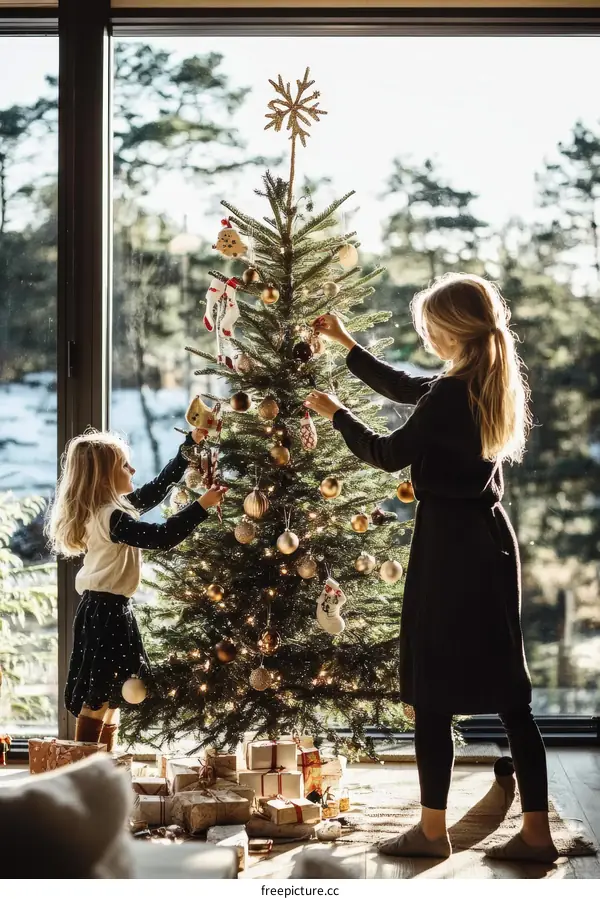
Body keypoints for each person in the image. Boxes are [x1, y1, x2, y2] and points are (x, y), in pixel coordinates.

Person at [305, 273, 558, 864]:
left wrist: (336, 412)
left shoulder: (450, 394)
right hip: (490, 546)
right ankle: (538, 833)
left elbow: (386, 453)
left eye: (430, 327)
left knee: (434, 689)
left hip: (448, 550)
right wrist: (346, 345)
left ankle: (430, 831)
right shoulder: (483, 382)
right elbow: (406, 387)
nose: (427, 336)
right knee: (511, 698)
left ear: (450, 330)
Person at [46, 428, 226, 751]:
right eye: (125, 466)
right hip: (104, 614)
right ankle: (81, 775)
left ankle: (100, 768)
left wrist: (189, 447)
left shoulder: (115, 507)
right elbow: (160, 536)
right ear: (104, 477)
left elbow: (158, 488)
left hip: (110, 610)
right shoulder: (111, 517)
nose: (133, 471)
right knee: (99, 695)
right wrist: (202, 506)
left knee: (114, 693)